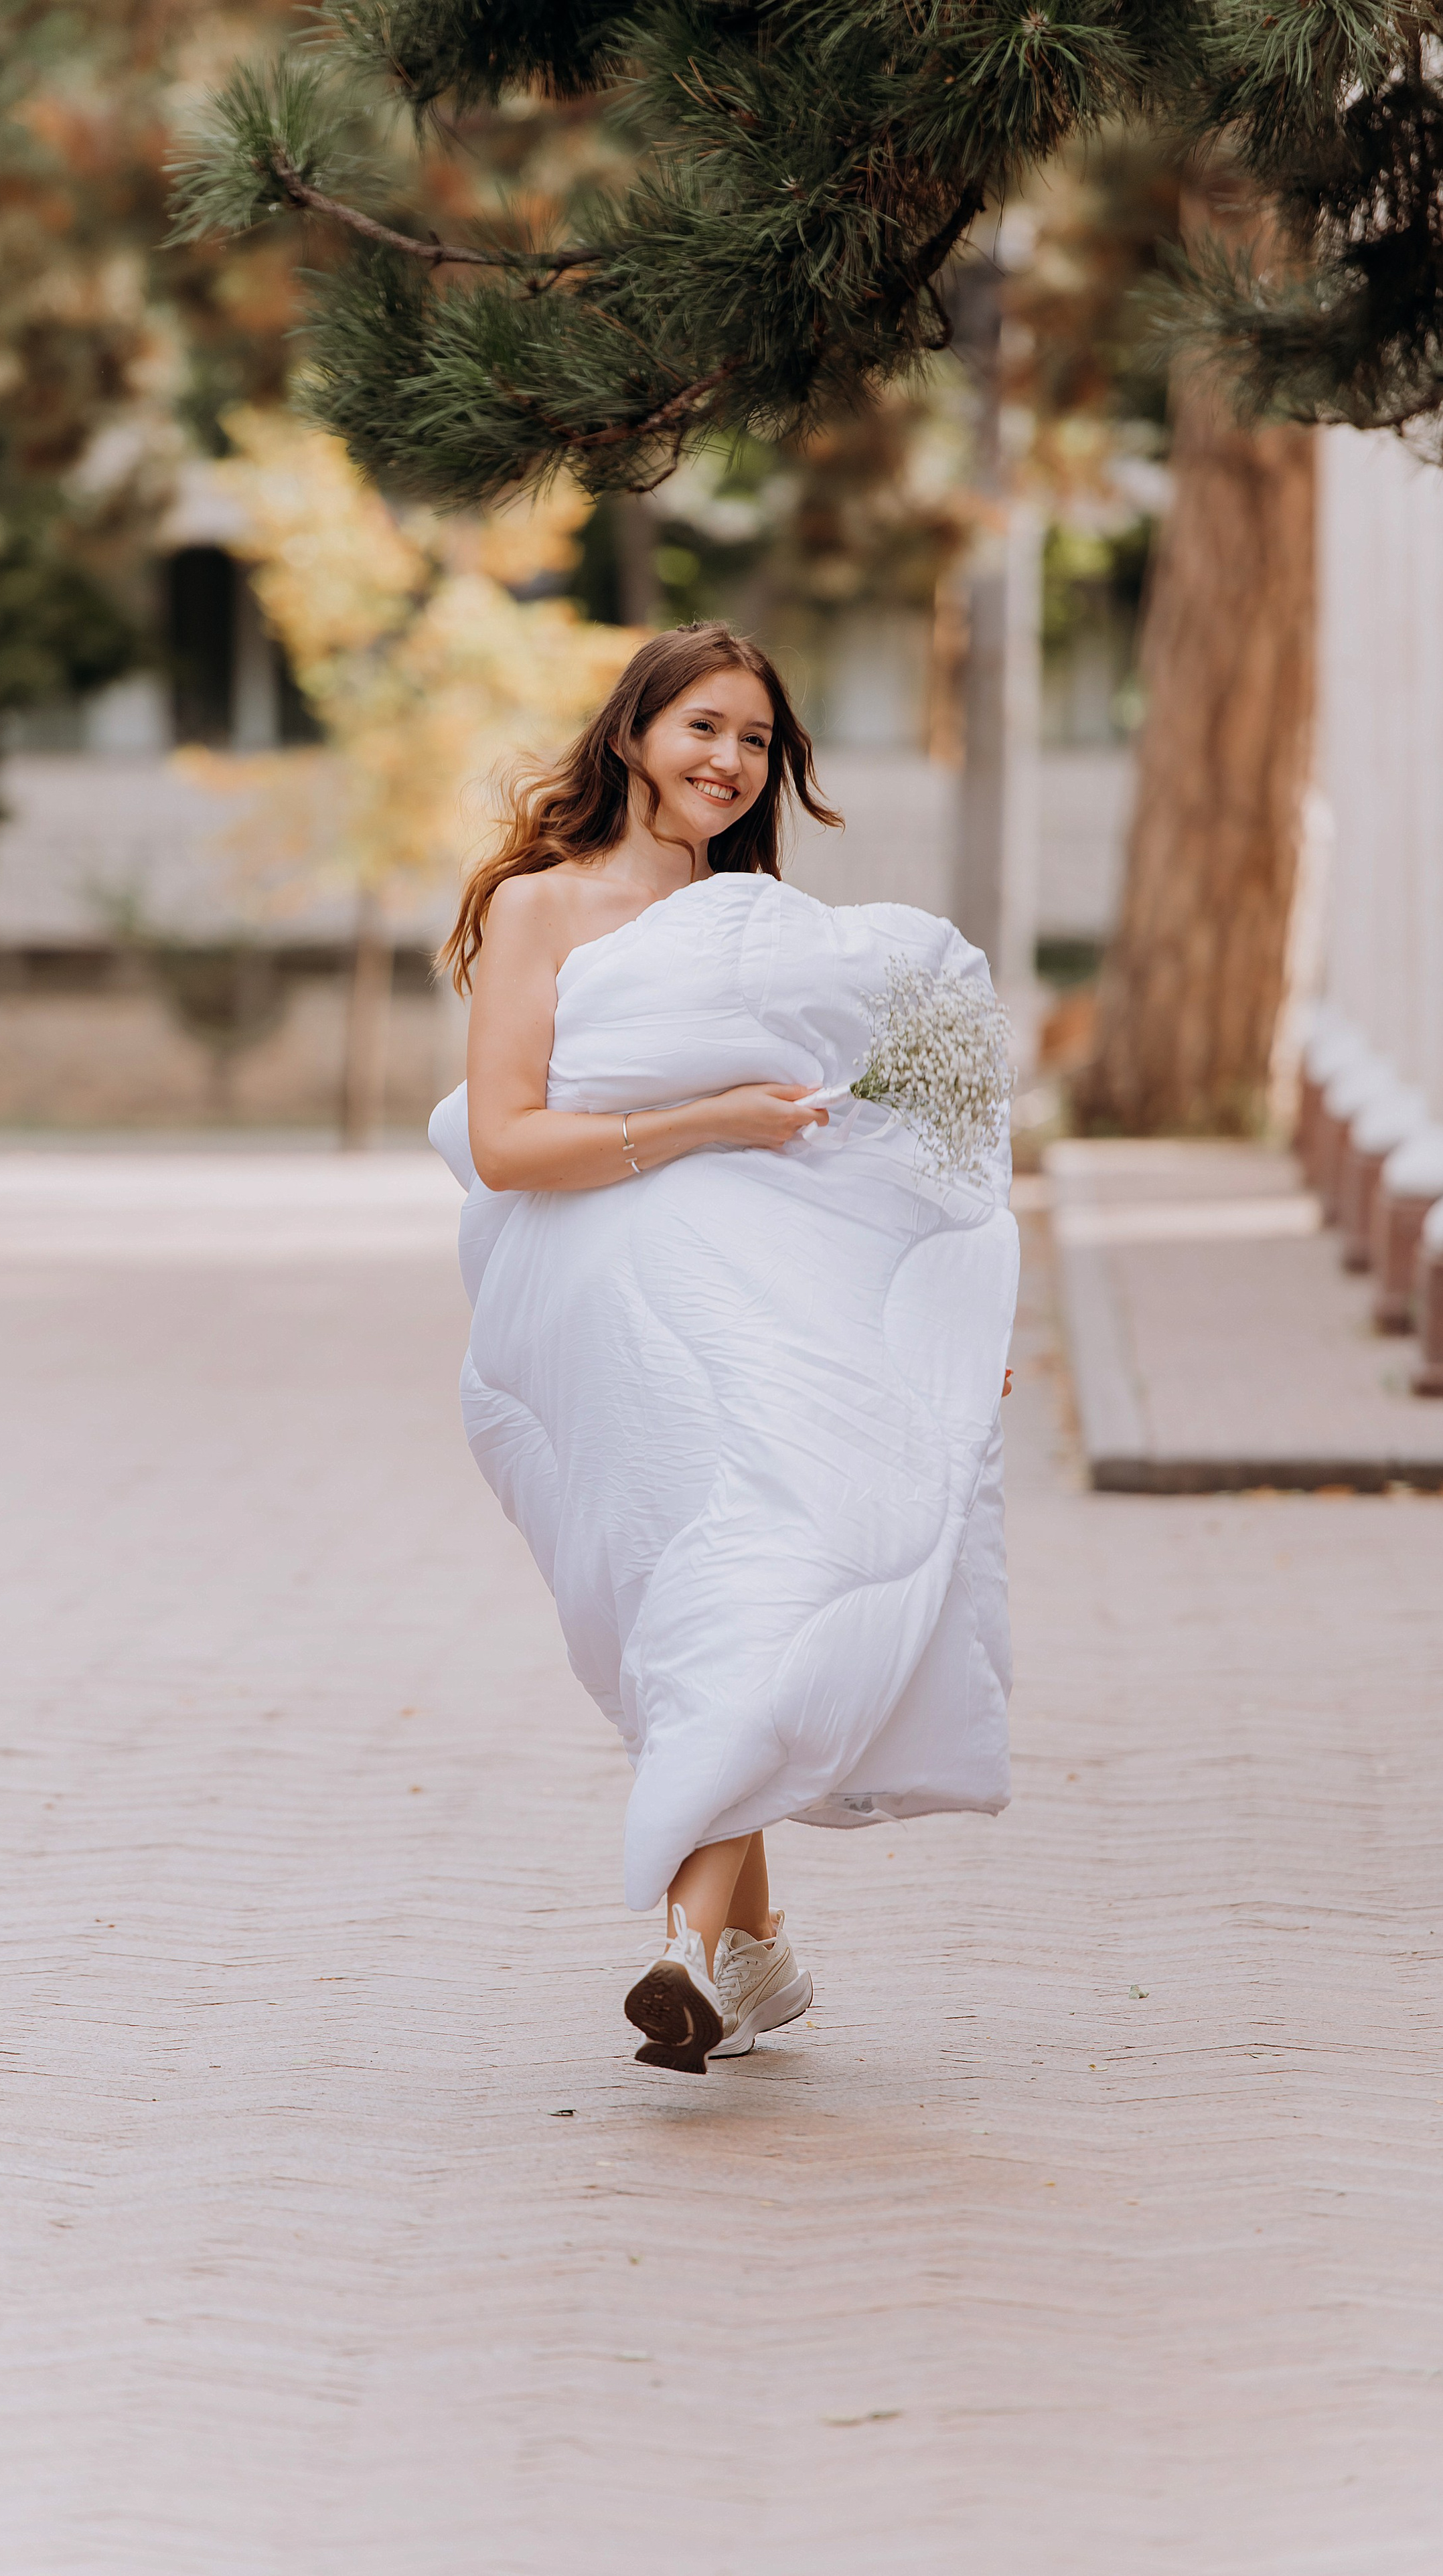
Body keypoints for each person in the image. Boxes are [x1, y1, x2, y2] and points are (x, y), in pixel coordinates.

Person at [428, 623, 1018, 2074]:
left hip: (770, 1311)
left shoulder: (763, 921)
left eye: (754, 740)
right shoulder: (540, 909)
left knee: (745, 1586)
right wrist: (707, 1121)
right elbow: (506, 1142)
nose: (727, 761)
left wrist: (943, 1314)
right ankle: (744, 1953)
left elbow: (879, 1140)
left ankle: (703, 1954)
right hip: (605, 1317)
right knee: (700, 1604)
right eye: (702, 726)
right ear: (631, 731)